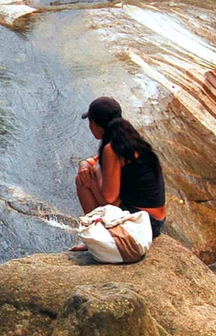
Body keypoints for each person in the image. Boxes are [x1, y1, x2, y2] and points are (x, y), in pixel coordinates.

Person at [71, 97, 167, 251]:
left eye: (90, 122)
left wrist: (94, 172)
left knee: (82, 181)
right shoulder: (127, 137)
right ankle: (99, 236)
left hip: (143, 222)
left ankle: (96, 237)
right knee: (88, 174)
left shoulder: (113, 149)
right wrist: (84, 165)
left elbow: (109, 197)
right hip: (156, 220)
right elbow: (92, 161)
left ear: (95, 124)